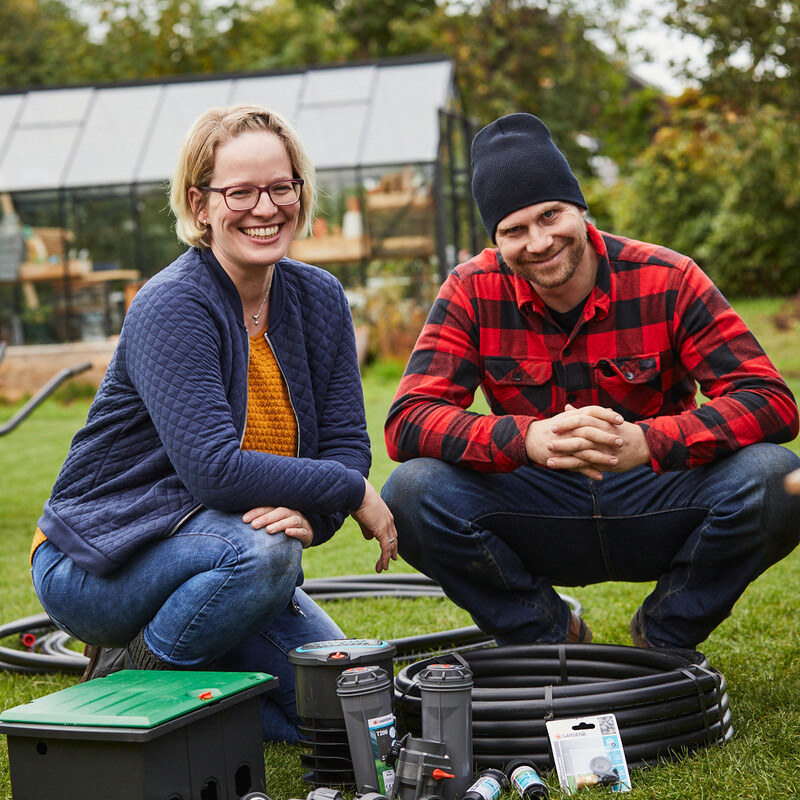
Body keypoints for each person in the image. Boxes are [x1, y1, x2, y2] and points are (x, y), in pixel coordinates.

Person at [30, 103, 397, 742]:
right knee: (264, 553)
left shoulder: (320, 299)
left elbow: (343, 445)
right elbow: (215, 473)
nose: (266, 207)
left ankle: (196, 675)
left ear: (300, 192)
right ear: (201, 204)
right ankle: (133, 669)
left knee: (345, 705)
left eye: (281, 186)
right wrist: (349, 493)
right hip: (101, 561)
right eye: (241, 191)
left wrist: (316, 516)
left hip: (218, 552)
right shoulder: (175, 304)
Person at [381, 112, 800, 651]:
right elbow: (408, 419)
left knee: (776, 478)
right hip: (538, 502)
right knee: (411, 493)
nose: (538, 241)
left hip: (656, 495)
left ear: (580, 208)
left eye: (550, 215)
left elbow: (770, 401)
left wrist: (648, 441)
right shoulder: (471, 290)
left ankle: (664, 636)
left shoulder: (667, 277)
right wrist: (529, 439)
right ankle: (550, 638)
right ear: (497, 239)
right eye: (514, 230)